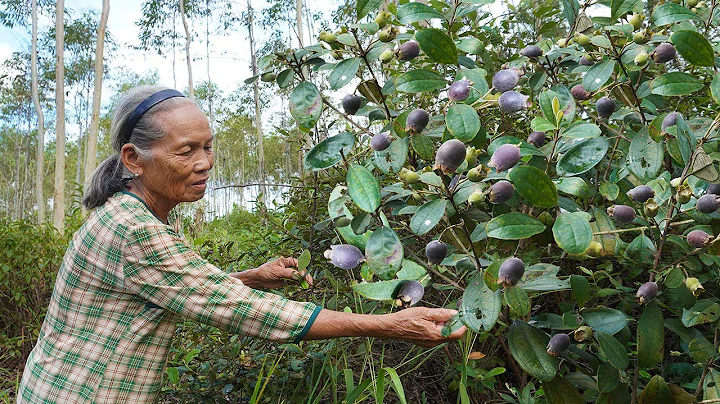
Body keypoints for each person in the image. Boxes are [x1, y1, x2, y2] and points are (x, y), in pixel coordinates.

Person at [17, 86, 465, 403]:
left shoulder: (132, 216)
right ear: (134, 159)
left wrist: (253, 277)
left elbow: (166, 291)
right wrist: (389, 325)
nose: (204, 163)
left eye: (208, 147)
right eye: (186, 150)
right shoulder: (131, 227)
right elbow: (240, 310)